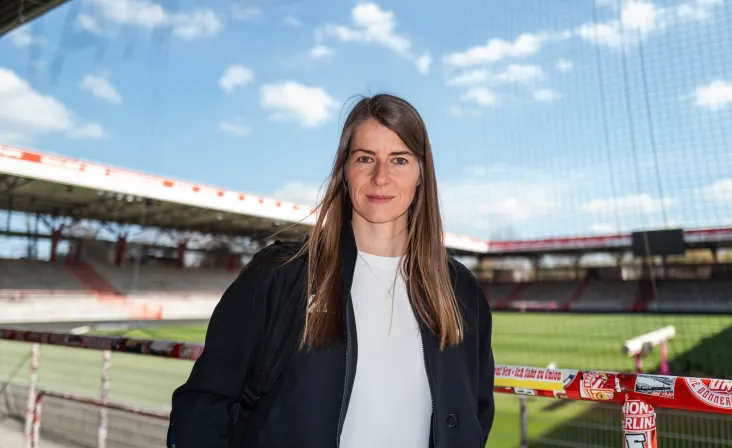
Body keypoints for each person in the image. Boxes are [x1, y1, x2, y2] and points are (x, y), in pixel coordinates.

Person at [168, 93, 495, 447]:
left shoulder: (460, 290)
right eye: (365, 158)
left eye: (399, 160)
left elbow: (476, 412)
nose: (380, 177)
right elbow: (205, 404)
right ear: (344, 171)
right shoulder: (281, 274)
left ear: (421, 173)